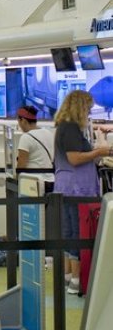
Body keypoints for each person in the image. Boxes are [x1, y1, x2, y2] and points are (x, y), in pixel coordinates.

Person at [54, 90, 112, 295]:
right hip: (76, 187)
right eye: (87, 108)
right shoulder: (70, 129)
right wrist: (100, 152)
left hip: (67, 186)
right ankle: (77, 279)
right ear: (80, 107)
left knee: (68, 230)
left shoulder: (64, 127)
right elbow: (75, 158)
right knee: (78, 232)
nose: (88, 113)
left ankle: (69, 276)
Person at [16, 105, 55, 192]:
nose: (19, 125)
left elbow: (21, 164)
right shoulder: (49, 133)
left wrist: (16, 179)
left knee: (32, 205)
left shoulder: (26, 137)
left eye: (19, 122)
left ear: (23, 121)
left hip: (34, 182)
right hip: (51, 180)